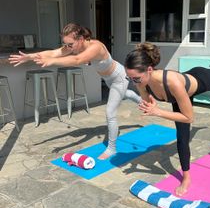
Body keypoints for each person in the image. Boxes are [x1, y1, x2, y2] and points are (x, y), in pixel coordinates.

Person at [124, 42, 210, 196]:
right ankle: (186, 177)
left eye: (135, 78)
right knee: (182, 137)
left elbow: (189, 117)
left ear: (149, 70)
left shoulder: (172, 82)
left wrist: (158, 112)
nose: (133, 82)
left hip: (201, 79)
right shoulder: (141, 82)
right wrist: (150, 104)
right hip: (180, 93)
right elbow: (148, 102)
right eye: (129, 78)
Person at [9, 23, 141, 159]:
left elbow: (77, 60)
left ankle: (112, 148)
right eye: (66, 44)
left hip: (119, 78)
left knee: (110, 111)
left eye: (70, 44)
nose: (69, 48)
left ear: (81, 39)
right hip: (108, 79)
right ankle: (140, 100)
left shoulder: (96, 47)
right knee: (124, 94)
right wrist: (29, 57)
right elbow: (54, 52)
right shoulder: (73, 45)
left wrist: (52, 61)